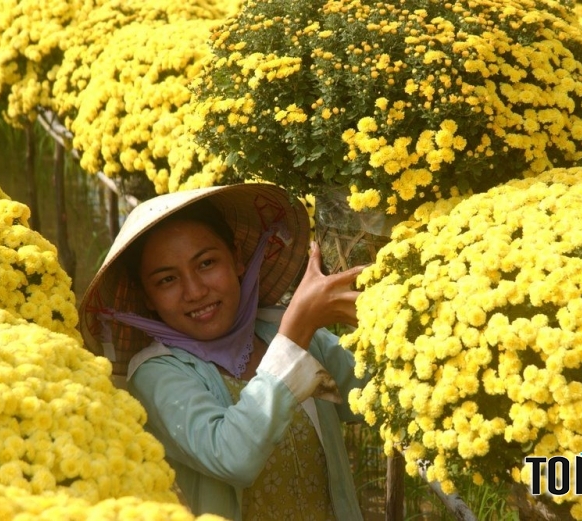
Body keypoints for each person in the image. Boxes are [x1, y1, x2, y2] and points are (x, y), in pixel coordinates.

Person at [78, 183, 368, 520]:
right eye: (167, 280)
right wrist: (295, 333)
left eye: (206, 264)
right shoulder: (156, 374)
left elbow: (366, 391)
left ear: (237, 260)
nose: (195, 291)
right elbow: (234, 457)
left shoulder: (277, 330)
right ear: (147, 297)